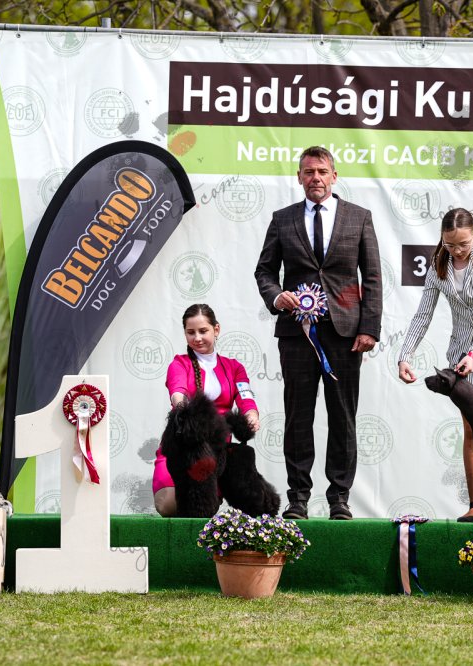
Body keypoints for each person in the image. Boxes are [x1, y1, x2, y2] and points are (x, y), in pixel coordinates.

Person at [254, 146, 382, 521]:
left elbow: (372, 276)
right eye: (309, 172)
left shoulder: (359, 218)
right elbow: (264, 271)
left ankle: (339, 497)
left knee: (343, 417)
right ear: (299, 177)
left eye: (322, 171)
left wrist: (369, 328)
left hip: (346, 335)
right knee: (298, 417)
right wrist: (276, 296)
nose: (316, 178)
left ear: (334, 176)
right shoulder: (282, 220)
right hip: (297, 335)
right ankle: (298, 498)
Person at [397, 207, 473, 523]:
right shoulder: (438, 266)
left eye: (463, 243)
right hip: (462, 356)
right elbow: (423, 314)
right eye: (450, 244)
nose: (457, 250)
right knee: (471, 430)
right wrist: (405, 355)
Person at [153, 303, 260, 517]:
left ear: (216, 329)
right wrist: (181, 406)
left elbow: (246, 398)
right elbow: (178, 391)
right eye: (190, 332)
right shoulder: (179, 364)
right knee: (168, 505)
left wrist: (251, 415)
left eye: (203, 331)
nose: (197, 338)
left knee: (204, 507)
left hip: (216, 454)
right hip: (182, 449)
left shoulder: (235, 368)